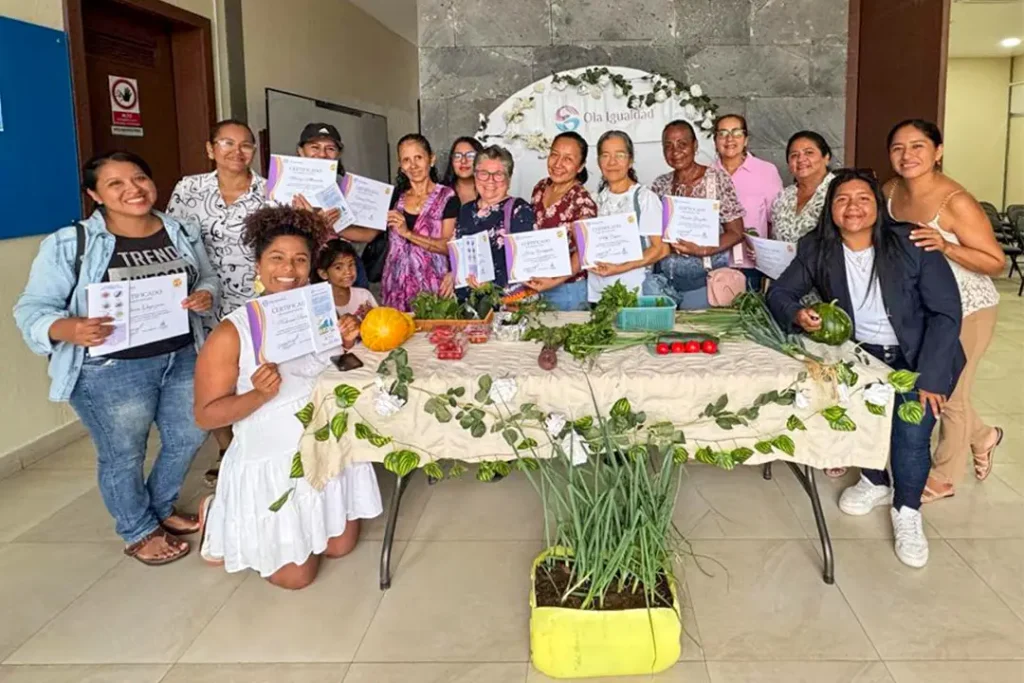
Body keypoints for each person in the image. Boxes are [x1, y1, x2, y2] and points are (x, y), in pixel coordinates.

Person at [14, 151, 219, 566]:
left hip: (180, 355)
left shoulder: (179, 230)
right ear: (95, 194)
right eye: (116, 184)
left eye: (140, 178)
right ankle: (137, 528)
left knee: (189, 435)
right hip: (109, 369)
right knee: (123, 452)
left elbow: (206, 276)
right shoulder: (71, 243)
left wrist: (206, 294)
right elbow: (32, 308)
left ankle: (159, 507)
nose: (133, 190)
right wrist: (67, 328)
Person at [767, 168, 964, 568]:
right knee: (864, 419)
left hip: (918, 353)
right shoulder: (817, 248)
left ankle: (907, 511)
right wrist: (799, 313)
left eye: (862, 198)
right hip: (861, 355)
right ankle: (875, 481)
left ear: (877, 205)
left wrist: (929, 376)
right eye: (842, 200)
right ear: (830, 210)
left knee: (911, 434)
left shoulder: (911, 242)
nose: (852, 207)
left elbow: (946, 313)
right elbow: (781, 294)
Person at [194, 206, 382, 590]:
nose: (289, 269)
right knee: (296, 579)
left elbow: (327, 371)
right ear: (258, 267)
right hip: (274, 460)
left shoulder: (319, 314)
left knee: (341, 547)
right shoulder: (233, 332)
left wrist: (345, 342)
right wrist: (258, 395)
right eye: (276, 258)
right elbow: (206, 416)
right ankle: (219, 512)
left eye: (300, 260)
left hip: (325, 447)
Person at [885, 119, 1005, 502]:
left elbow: (995, 261)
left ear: (937, 152)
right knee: (942, 387)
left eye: (918, 146)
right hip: (925, 307)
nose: (908, 156)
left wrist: (946, 245)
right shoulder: (890, 191)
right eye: (898, 148)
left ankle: (944, 475)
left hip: (969, 307)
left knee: (948, 391)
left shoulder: (956, 201)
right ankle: (983, 435)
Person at [166, 119, 267, 486]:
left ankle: (255, 445)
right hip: (202, 303)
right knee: (213, 380)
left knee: (255, 374)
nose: (237, 152)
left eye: (246, 145)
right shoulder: (189, 189)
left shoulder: (270, 192)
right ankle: (228, 448)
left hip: (256, 300)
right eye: (227, 143)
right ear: (211, 149)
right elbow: (173, 242)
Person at [650, 120, 746, 309]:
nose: (675, 151)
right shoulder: (660, 184)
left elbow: (736, 231)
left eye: (682, 144)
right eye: (668, 146)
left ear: (695, 146)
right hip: (665, 284)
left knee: (699, 335)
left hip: (704, 284)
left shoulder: (716, 179)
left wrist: (702, 249)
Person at [440, 145, 536, 298]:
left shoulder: (519, 210)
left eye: (498, 174)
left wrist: (491, 285)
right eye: (483, 173)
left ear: (508, 179)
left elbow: (527, 266)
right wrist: (454, 274)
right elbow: (462, 254)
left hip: (504, 305)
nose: (490, 180)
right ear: (475, 176)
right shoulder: (466, 210)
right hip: (469, 304)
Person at [294, 122, 378, 288]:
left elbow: (368, 234)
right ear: (301, 151)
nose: (322, 154)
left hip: (344, 267)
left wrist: (332, 226)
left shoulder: (348, 186)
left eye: (330, 149)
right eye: (314, 147)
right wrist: (311, 222)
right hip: (300, 265)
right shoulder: (284, 185)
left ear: (338, 154)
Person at [381, 134, 458, 312]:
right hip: (395, 287)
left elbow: (448, 246)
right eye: (406, 160)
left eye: (418, 158)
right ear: (401, 166)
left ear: (431, 159)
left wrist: (407, 233)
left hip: (432, 289)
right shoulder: (394, 198)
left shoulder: (447, 197)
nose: (413, 165)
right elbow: (369, 233)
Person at [590, 130, 667, 302]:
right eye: (605, 155)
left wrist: (620, 267)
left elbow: (660, 249)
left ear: (630, 160)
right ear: (598, 161)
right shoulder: (593, 199)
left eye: (620, 155)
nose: (612, 162)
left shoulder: (645, 198)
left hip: (635, 292)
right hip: (597, 293)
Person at [712, 114, 784, 292]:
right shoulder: (706, 174)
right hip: (714, 264)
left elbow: (777, 221)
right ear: (715, 140)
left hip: (752, 266)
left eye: (736, 133)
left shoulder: (766, 171)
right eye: (723, 133)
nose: (730, 139)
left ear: (746, 140)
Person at [528, 132, 599, 311]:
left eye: (568, 159)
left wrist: (553, 281)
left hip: (568, 289)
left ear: (580, 166)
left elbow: (583, 252)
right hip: (537, 284)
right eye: (554, 155)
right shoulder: (540, 187)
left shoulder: (582, 201)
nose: (558, 164)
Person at [771, 131, 836, 244]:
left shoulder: (839, 191)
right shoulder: (784, 196)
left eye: (809, 153)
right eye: (794, 155)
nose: (801, 159)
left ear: (826, 157)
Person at [315, 238, 377, 319]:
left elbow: (380, 326)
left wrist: (371, 316)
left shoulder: (364, 296)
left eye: (351, 264)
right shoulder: (319, 304)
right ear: (324, 274)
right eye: (338, 267)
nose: (348, 271)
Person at [442, 136, 484, 207]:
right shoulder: (439, 193)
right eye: (458, 156)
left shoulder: (490, 190)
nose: (463, 161)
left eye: (470, 155)